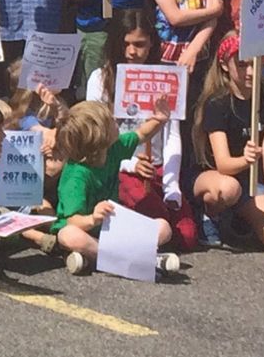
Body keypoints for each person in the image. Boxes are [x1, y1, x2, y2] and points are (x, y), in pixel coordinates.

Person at [83, 10, 194, 253]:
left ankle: (126, 243)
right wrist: (130, 164)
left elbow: (172, 135)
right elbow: (97, 142)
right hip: (117, 167)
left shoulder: (166, 76)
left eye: (140, 44)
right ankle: (118, 248)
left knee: (187, 237)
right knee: (153, 217)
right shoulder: (99, 79)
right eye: (126, 44)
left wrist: (171, 184)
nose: (132, 51)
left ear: (152, 44)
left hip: (159, 167)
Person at [192, 35, 264, 254]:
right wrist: (246, 159)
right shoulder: (217, 103)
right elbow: (223, 164)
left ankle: (239, 217)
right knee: (229, 189)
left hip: (250, 183)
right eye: (241, 64)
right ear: (224, 65)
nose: (250, 72)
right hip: (215, 177)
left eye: (255, 63)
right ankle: (210, 214)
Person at [52, 99, 180, 275]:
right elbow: (73, 220)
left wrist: (160, 119)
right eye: (110, 120)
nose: (115, 118)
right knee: (68, 235)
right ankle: (140, 259)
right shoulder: (76, 175)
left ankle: (101, 259)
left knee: (163, 227)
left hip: (112, 229)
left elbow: (142, 134)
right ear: (99, 135)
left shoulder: (113, 148)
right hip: (87, 231)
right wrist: (93, 218)